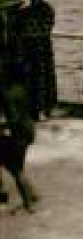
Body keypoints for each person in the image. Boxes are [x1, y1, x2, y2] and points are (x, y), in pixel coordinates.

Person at [0, 68, 39, 212]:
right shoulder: (23, 89)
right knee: (16, 168)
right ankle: (31, 195)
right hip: (29, 130)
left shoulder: (7, 93)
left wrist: (4, 125)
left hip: (18, 134)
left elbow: (13, 118)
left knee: (16, 170)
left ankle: (29, 203)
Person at [17, 0, 56, 121]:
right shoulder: (48, 9)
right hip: (44, 48)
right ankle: (46, 110)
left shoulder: (24, 12)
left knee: (30, 80)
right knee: (45, 79)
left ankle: (34, 110)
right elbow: (49, 26)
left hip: (28, 49)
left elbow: (20, 30)